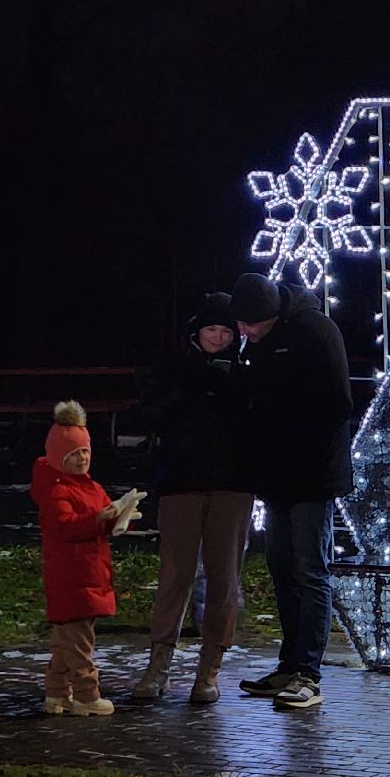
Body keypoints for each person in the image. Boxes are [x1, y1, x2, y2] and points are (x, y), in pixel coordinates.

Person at [230, 272, 352, 711]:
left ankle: (308, 673)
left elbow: (337, 403)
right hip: (277, 478)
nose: (244, 332)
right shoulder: (260, 343)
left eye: (251, 324)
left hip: (311, 476)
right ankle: (289, 663)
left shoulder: (316, 331)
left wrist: (295, 443)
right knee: (283, 570)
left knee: (309, 570)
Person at [131, 292, 253, 703]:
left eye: (225, 331)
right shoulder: (173, 368)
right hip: (181, 481)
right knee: (175, 575)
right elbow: (150, 415)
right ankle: (158, 665)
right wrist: (190, 390)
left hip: (231, 484)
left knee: (224, 579)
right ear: (196, 333)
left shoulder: (246, 372)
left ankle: (209, 671)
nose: (218, 338)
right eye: (210, 330)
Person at [31, 400, 140, 716]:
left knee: (67, 643)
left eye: (85, 452)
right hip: (71, 578)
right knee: (79, 644)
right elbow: (65, 527)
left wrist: (122, 514)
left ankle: (56, 693)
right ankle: (86, 695)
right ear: (58, 457)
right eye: (74, 453)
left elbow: (102, 514)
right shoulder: (56, 491)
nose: (82, 458)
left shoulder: (90, 486)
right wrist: (97, 519)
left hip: (90, 574)